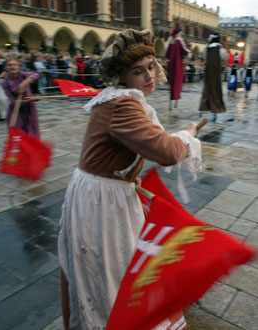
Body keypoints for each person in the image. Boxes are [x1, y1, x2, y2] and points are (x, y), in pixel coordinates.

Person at [58, 29, 200, 330]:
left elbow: (152, 141)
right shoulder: (123, 104)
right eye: (138, 71)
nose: (148, 76)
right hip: (102, 199)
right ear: (123, 76)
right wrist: (188, 135)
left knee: (116, 267)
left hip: (103, 191)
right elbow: (166, 151)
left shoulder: (122, 101)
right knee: (112, 271)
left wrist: (179, 139)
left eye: (151, 67)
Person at [2, 58, 40, 138]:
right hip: (16, 110)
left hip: (29, 109)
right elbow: (13, 101)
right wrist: (30, 100)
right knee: (18, 135)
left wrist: (24, 83)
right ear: (6, 67)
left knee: (32, 133)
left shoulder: (22, 74)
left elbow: (35, 74)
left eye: (15, 65)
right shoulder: (4, 82)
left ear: (18, 67)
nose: (12, 67)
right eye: (9, 65)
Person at [199, 32, 228, 122]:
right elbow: (225, 57)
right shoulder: (220, 49)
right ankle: (215, 108)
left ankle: (204, 107)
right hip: (216, 71)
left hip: (208, 71)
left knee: (207, 88)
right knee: (216, 89)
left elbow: (204, 57)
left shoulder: (207, 48)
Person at [166, 28, 191, 110]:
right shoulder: (179, 41)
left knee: (172, 82)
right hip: (178, 65)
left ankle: (172, 100)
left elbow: (167, 54)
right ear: (178, 33)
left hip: (171, 65)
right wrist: (189, 52)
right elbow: (184, 51)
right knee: (177, 81)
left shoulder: (170, 43)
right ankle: (176, 97)